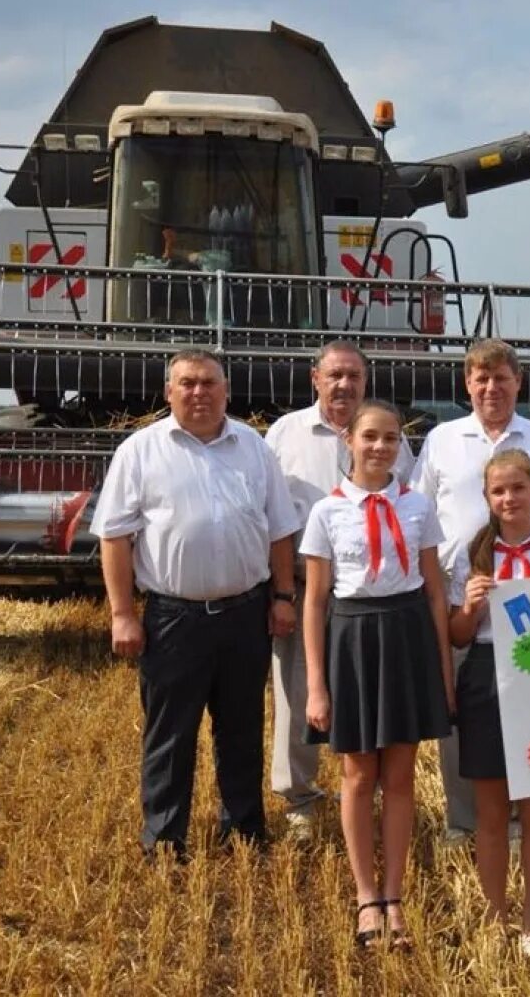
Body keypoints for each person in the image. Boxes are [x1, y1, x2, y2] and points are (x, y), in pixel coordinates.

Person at [92, 349, 300, 859]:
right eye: (187, 383)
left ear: (227, 391)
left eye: (209, 383)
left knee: (243, 730)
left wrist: (282, 596)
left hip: (245, 614)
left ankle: (244, 833)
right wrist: (122, 614)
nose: (198, 392)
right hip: (173, 619)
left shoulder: (254, 447)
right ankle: (165, 839)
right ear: (168, 392)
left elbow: (279, 531)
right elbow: (115, 537)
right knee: (170, 735)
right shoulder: (140, 451)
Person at [302, 399, 455, 950]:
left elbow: (435, 592)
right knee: (357, 775)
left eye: (391, 438)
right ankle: (366, 895)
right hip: (352, 639)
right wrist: (317, 685)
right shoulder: (326, 512)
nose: (380, 447)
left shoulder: (418, 508)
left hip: (408, 636)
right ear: (349, 441)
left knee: (400, 777)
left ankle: (395, 896)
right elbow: (315, 602)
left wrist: (442, 669)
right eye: (370, 436)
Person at [410, 339, 530, 843]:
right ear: (467, 384)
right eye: (481, 378)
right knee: (460, 712)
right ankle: (463, 819)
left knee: (529, 712)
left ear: (518, 382)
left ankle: (521, 819)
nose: (491, 387)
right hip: (464, 590)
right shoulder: (441, 440)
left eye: (501, 377)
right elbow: (419, 513)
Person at [264, 341, 415, 837]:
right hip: (305, 586)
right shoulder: (283, 435)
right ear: (315, 378)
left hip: (372, 598)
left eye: (353, 376)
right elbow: (272, 520)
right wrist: (281, 593)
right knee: (298, 694)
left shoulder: (394, 440)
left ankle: (364, 789)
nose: (344, 384)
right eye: (335, 375)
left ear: (365, 382)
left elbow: (408, 510)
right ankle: (299, 800)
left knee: (368, 693)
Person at [448, 450, 530, 958]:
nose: (508, 499)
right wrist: (469, 607)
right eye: (498, 491)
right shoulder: (473, 555)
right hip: (485, 677)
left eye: (517, 489)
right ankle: (494, 916)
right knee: (491, 811)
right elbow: (458, 637)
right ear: (487, 498)